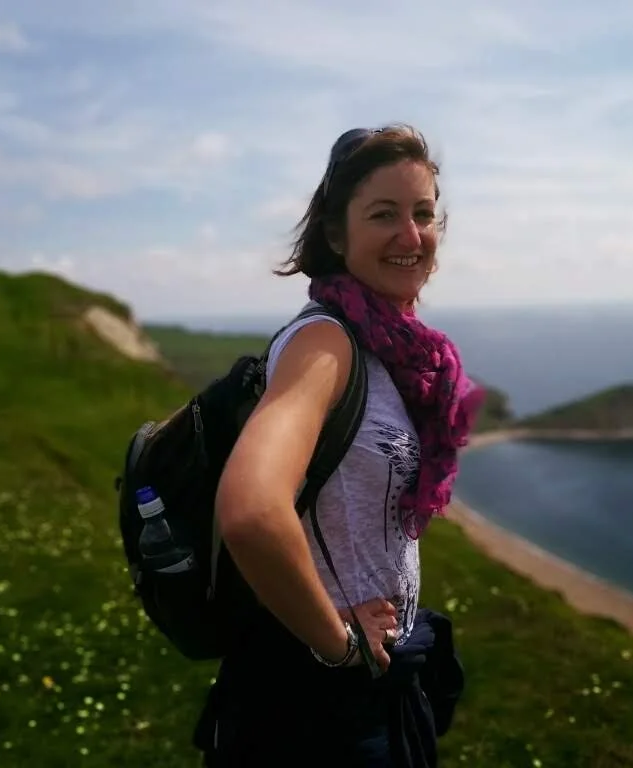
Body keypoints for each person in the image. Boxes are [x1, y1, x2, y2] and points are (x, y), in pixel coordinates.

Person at [193, 124, 484, 767]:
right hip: (318, 708)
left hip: (376, 684)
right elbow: (250, 509)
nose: (411, 236)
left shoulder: (392, 350)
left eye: (423, 214)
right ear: (334, 234)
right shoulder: (325, 345)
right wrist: (338, 644)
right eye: (384, 215)